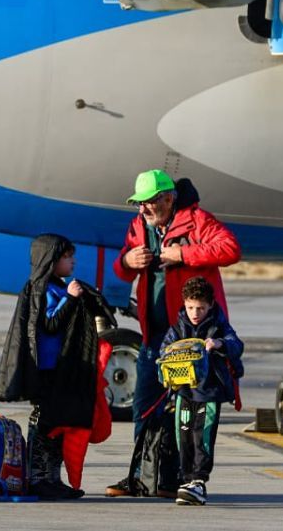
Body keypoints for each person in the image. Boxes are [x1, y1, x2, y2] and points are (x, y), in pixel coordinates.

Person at [105, 170, 240, 498]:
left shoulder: (197, 221)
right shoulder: (139, 226)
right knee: (144, 407)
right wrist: (128, 260)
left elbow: (230, 249)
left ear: (168, 199)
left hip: (192, 339)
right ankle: (142, 475)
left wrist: (183, 255)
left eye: (149, 202)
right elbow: (121, 271)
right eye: (139, 204)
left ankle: (181, 478)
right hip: (155, 339)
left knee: (188, 414)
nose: (143, 209)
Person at [0, 233, 115, 500]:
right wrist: (70, 299)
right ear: (51, 260)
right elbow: (49, 324)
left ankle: (52, 477)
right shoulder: (43, 289)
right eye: (67, 257)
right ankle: (37, 478)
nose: (73, 261)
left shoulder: (57, 287)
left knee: (60, 425)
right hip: (46, 371)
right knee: (46, 425)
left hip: (61, 370)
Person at [159, 276, 244, 507]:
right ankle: (186, 479)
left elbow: (236, 344)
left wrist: (219, 344)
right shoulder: (178, 327)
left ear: (210, 305)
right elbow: (164, 350)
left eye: (200, 308)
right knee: (184, 435)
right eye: (190, 307)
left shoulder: (219, 325)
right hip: (184, 392)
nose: (195, 313)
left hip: (209, 392)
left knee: (202, 436)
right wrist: (170, 355)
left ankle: (198, 480)